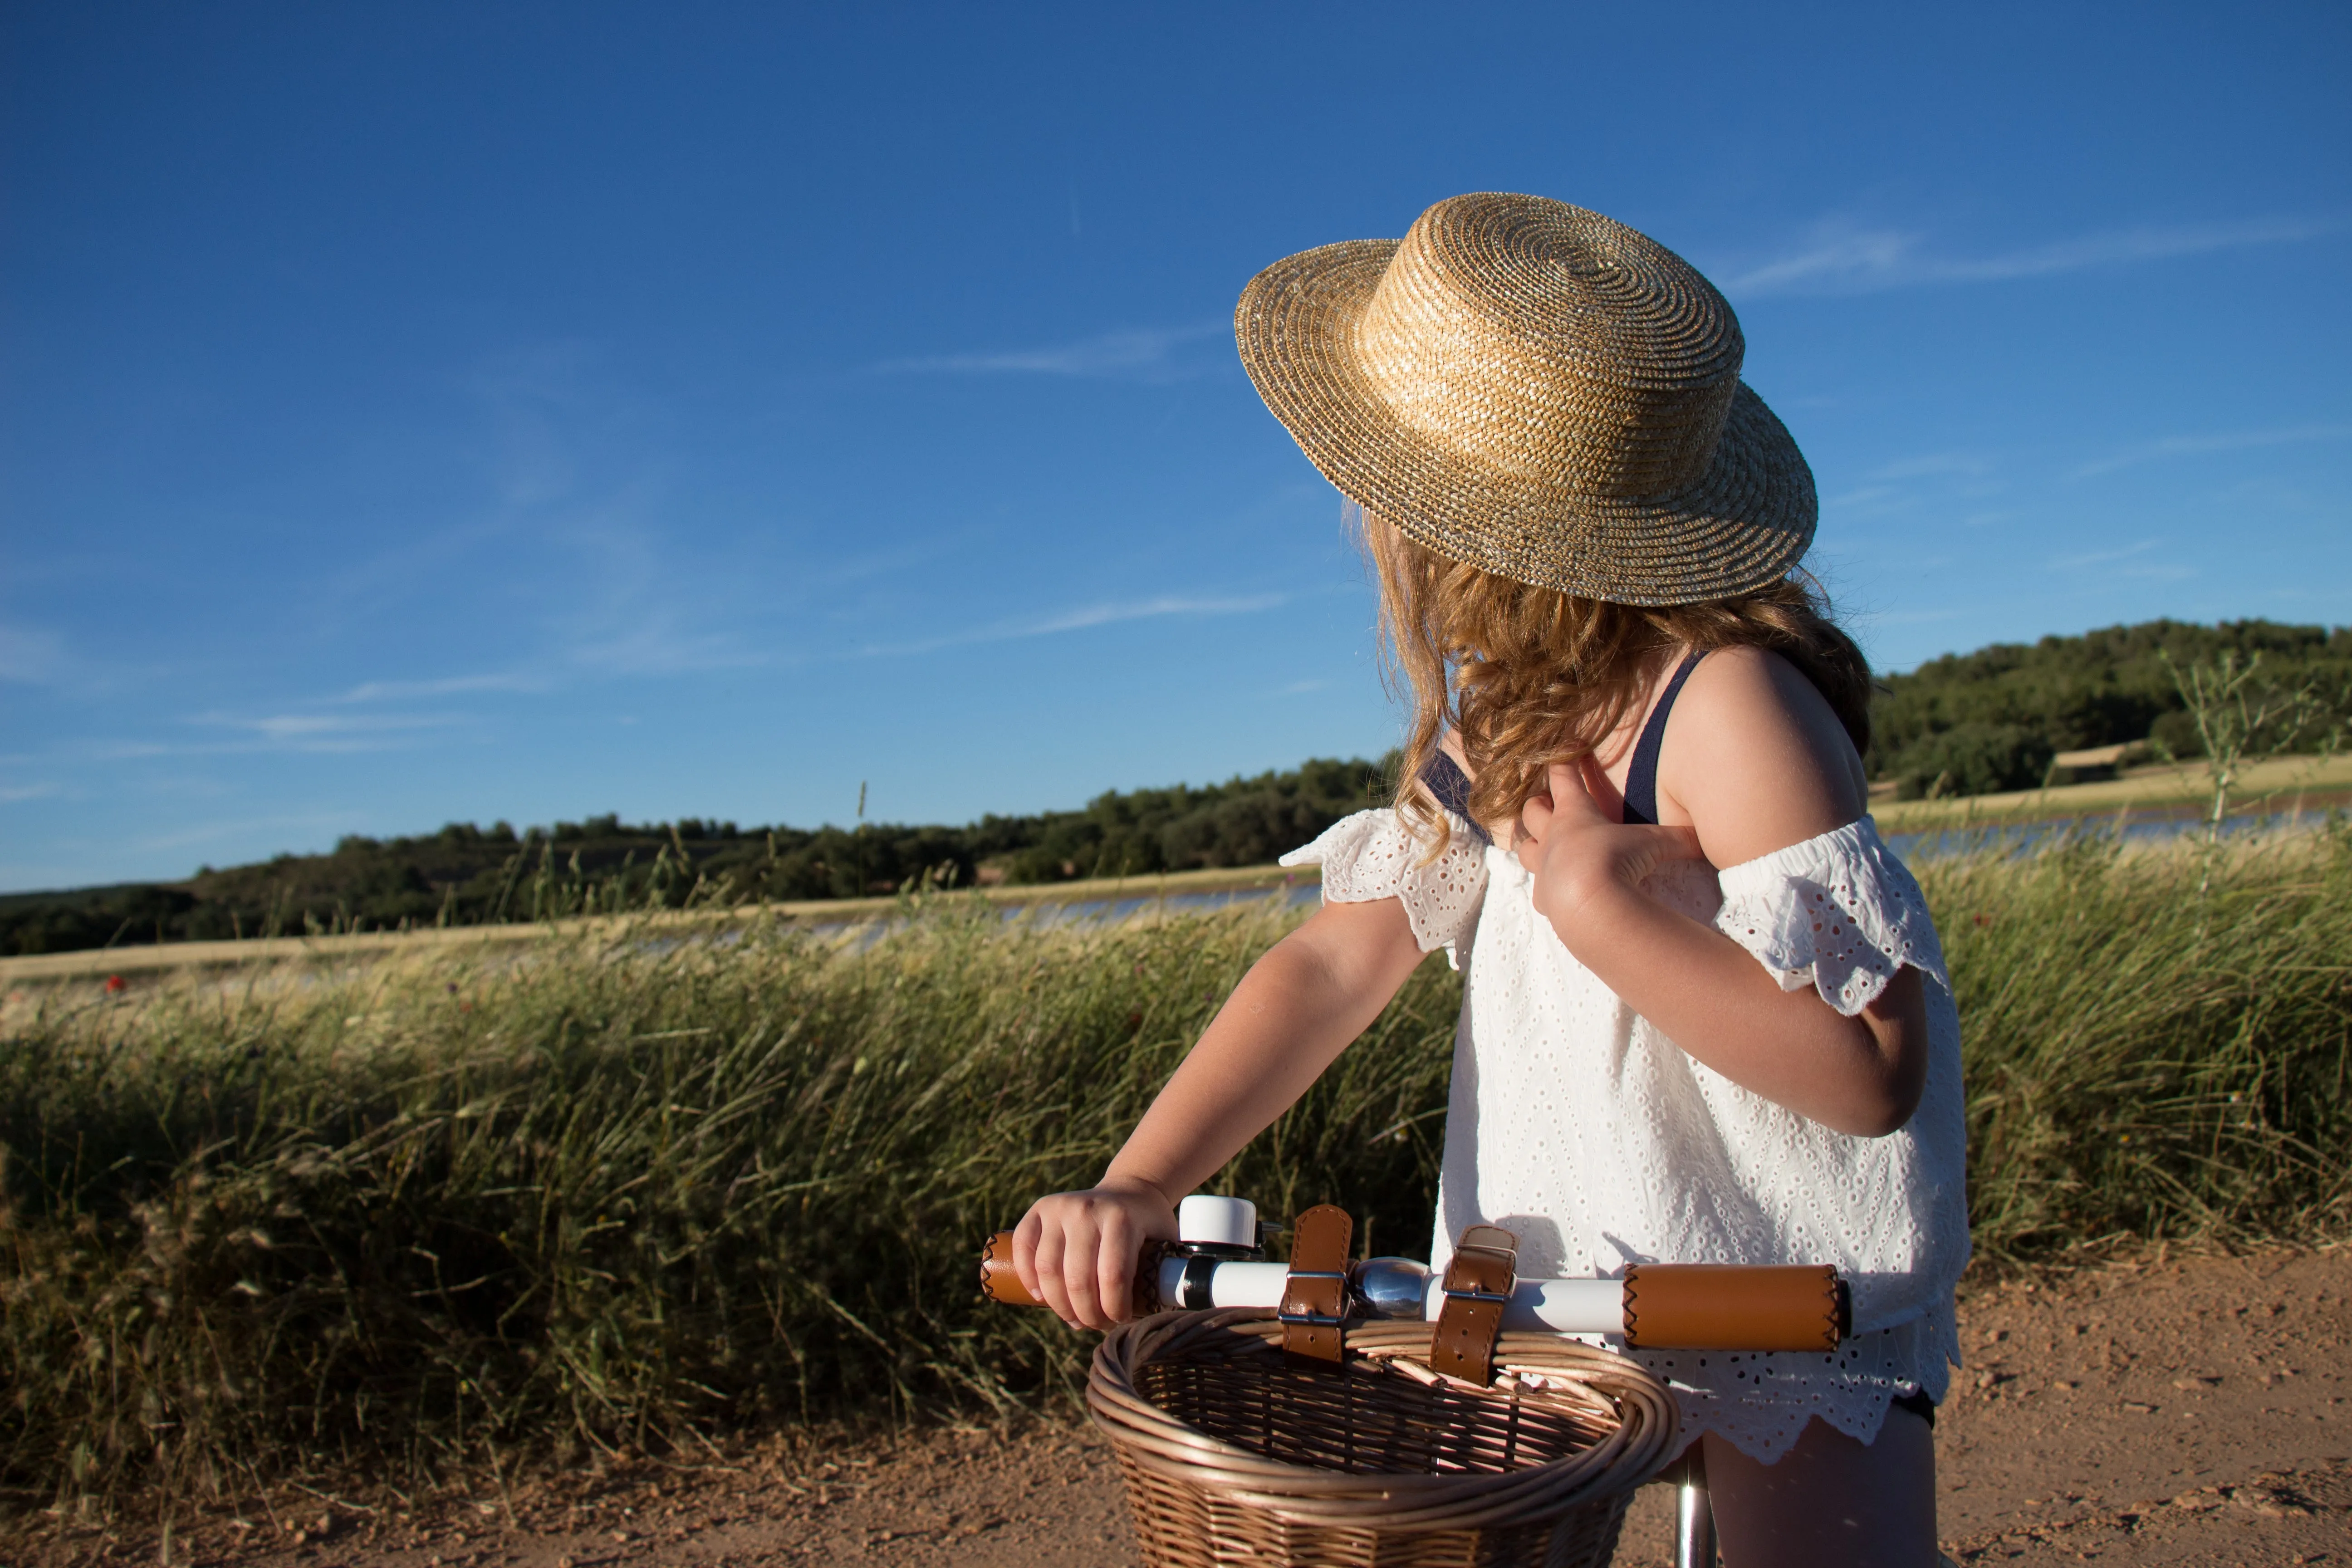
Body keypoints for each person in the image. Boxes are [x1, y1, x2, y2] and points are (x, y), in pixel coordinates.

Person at [1011, 193, 1966, 1568]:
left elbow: (1870, 1073)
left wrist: (1594, 897)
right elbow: (1338, 962)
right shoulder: (1498, 722)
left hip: (1781, 1293)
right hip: (1554, 1283)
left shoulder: (1732, 708)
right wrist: (1141, 1181)